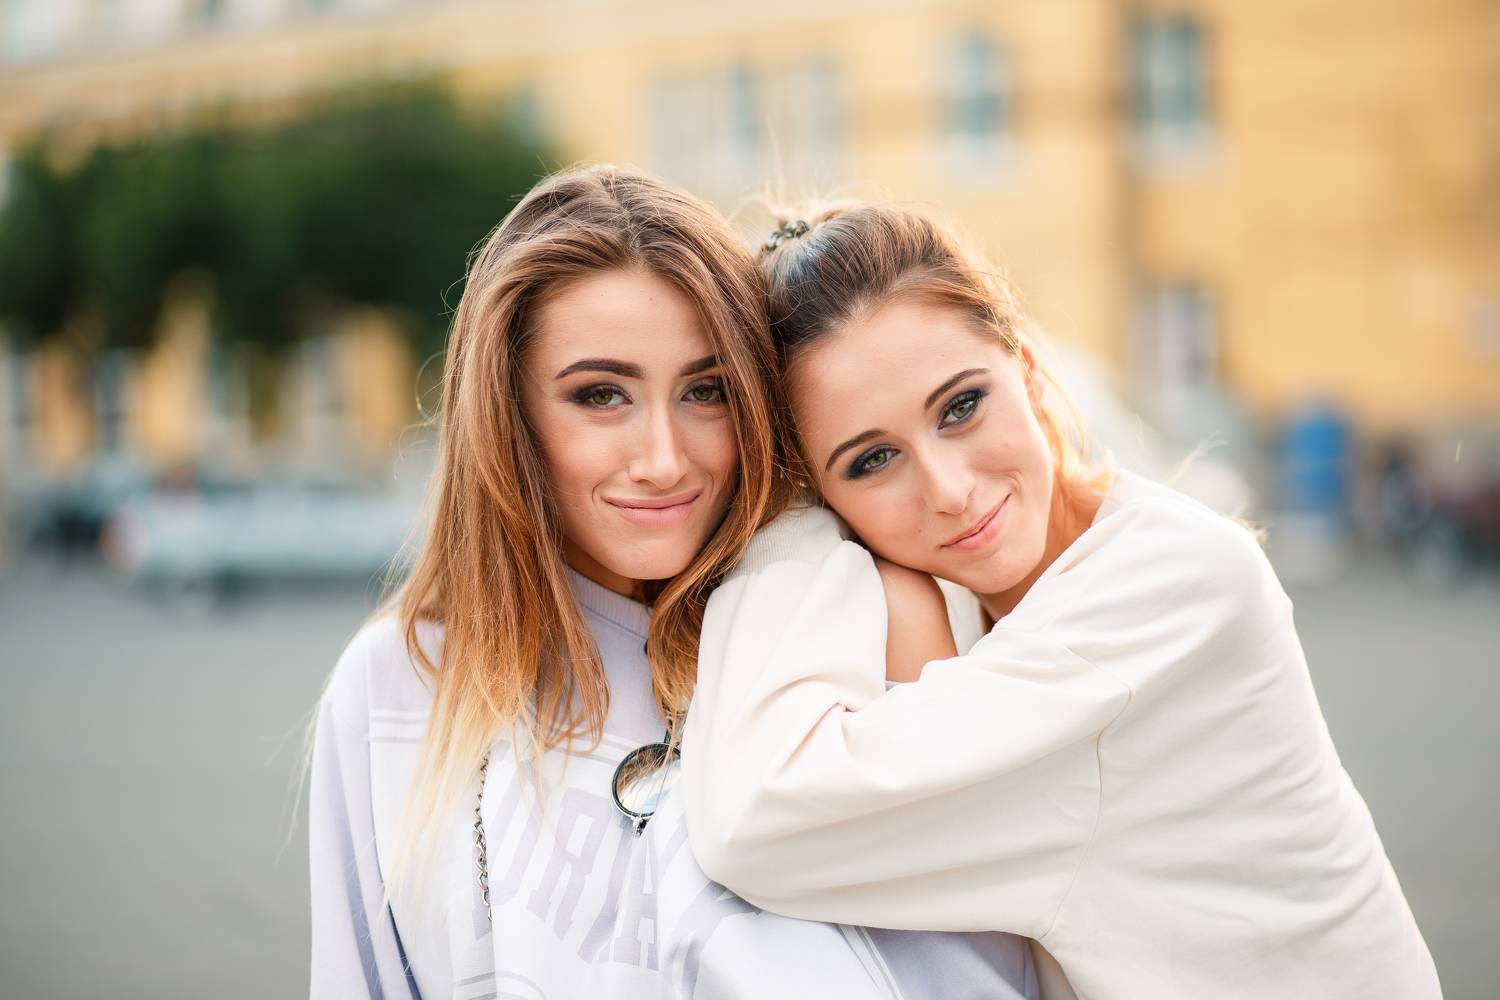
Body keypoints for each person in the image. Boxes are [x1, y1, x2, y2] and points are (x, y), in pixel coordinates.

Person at [308, 167, 1045, 998]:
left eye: (706, 391)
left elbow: (971, 968)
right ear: (507, 412)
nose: (663, 460)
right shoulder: (398, 686)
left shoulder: (859, 621)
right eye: (601, 395)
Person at [681, 203, 1443, 999]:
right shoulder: (1011, 590)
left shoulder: (1165, 590)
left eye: (961, 406)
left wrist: (776, 516)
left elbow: (755, 825)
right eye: (872, 460)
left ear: (1031, 370)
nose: (948, 489)